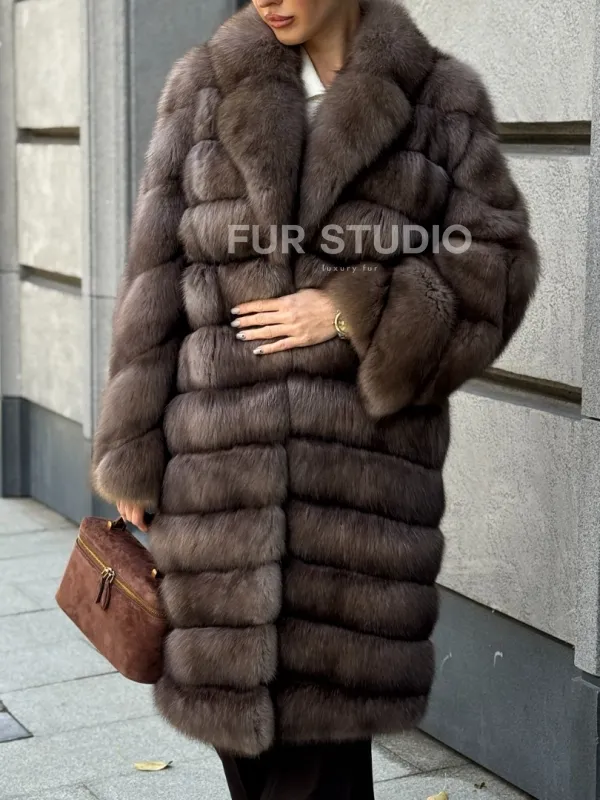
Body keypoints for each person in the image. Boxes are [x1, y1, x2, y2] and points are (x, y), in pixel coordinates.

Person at [91, 0, 539, 797]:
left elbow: (496, 263)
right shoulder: (203, 87)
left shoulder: (439, 100)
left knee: (321, 758)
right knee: (244, 748)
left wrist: (351, 308)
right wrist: (131, 448)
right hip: (218, 488)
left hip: (355, 504)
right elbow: (152, 277)